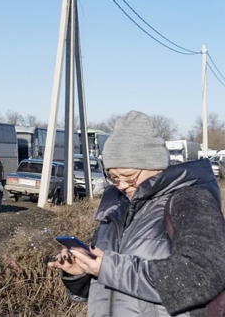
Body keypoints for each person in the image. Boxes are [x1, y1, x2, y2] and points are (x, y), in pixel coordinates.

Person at [48, 110, 225, 317]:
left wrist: (108, 267)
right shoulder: (116, 209)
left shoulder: (190, 200)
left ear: (155, 166)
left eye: (129, 177)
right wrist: (82, 274)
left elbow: (203, 274)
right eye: (114, 178)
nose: (121, 186)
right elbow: (114, 290)